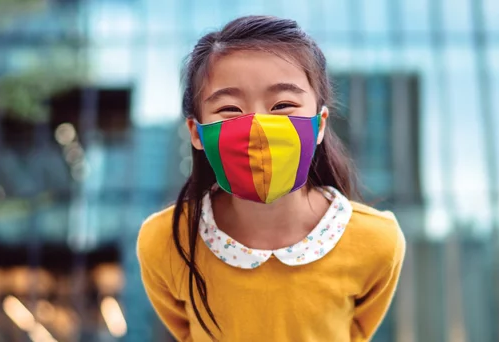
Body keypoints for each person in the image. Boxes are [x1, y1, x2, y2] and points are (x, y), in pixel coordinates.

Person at [136, 15, 406, 341]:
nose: (257, 127)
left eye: (283, 104)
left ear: (320, 124)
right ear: (196, 132)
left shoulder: (377, 242)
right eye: (230, 109)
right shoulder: (164, 241)